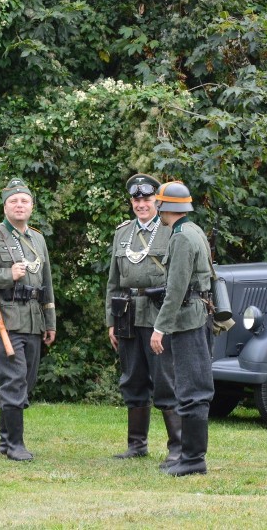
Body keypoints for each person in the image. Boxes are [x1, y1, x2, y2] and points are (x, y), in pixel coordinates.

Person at [0, 178, 56, 461]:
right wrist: (6, 275)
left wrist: (50, 321)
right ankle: (15, 445)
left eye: (24, 201)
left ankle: (5, 441)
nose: (19, 205)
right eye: (14, 201)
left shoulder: (37, 238)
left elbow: (47, 282)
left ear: (31, 206)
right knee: (13, 382)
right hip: (5, 317)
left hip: (33, 319)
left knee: (25, 382)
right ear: (5, 207)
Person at [105, 174, 181, 468]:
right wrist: (111, 320)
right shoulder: (121, 233)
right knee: (132, 379)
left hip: (158, 312)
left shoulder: (169, 231)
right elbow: (113, 281)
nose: (141, 204)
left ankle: (177, 446)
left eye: (147, 199)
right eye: (136, 199)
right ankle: (136, 444)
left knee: (165, 379)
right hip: (127, 313)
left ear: (157, 202)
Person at [149, 181, 214, 476]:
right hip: (196, 316)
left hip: (188, 321)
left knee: (191, 389)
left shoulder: (181, 239)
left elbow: (176, 290)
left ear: (164, 206)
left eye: (158, 204)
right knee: (193, 388)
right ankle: (190, 457)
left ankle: (192, 459)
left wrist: (159, 328)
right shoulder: (193, 231)